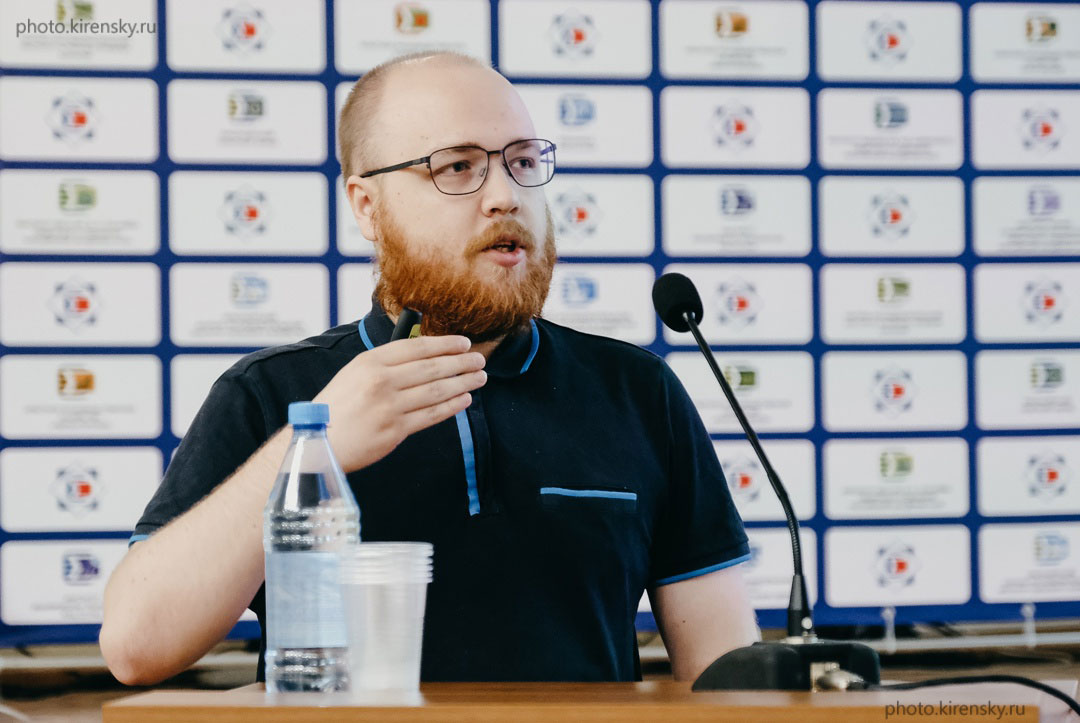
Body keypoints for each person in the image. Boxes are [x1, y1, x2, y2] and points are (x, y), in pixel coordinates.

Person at [100, 51, 759, 686]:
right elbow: (137, 647)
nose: (505, 196)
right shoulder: (273, 395)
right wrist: (313, 448)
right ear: (367, 206)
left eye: (522, 162)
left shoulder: (637, 391)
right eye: (458, 167)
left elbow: (725, 675)